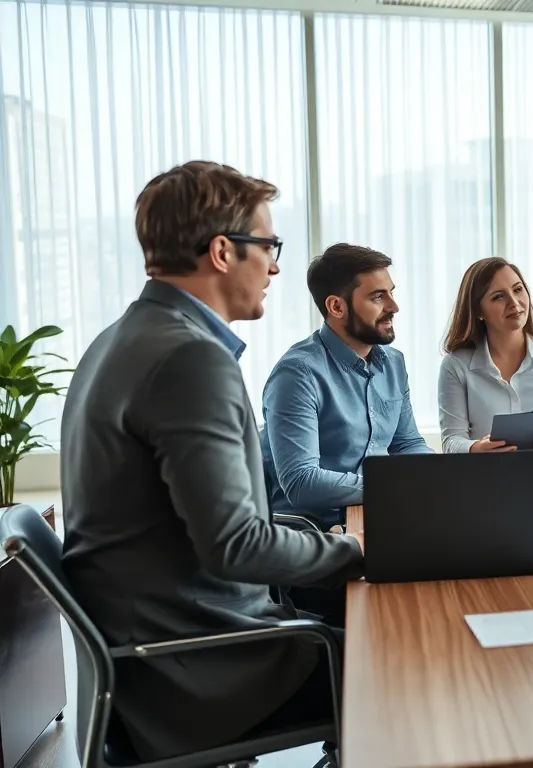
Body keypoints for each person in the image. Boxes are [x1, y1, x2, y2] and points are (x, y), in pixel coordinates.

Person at [59, 161, 363, 761]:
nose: (275, 267)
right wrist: (353, 550)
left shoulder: (121, 338)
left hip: (157, 658)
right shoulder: (189, 359)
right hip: (202, 673)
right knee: (414, 660)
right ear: (223, 251)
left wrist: (321, 539)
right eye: (269, 246)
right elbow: (236, 546)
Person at [260, 243, 433, 534]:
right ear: (337, 307)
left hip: (376, 514)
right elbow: (301, 481)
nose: (394, 307)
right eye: (378, 297)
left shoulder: (393, 363)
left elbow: (406, 444)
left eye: (391, 293)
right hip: (315, 532)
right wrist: (392, 486)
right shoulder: (297, 374)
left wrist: (442, 476)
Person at [438, 257, 533, 459]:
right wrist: (476, 449)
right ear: (478, 311)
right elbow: (451, 440)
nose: (514, 303)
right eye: (498, 297)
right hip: (489, 473)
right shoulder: (455, 365)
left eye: (518, 289)